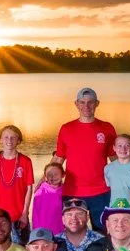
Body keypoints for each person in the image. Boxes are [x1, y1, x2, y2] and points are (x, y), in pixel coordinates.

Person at [50, 87, 119, 222]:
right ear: (76, 104)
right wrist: (43, 181)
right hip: (72, 192)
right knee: (71, 232)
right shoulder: (67, 128)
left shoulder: (107, 128)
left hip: (101, 191)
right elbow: (59, 158)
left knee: (102, 233)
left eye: (90, 102)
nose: (86, 106)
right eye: (82, 102)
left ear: (97, 103)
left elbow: (115, 159)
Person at [0, 124, 33, 224]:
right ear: (0, 139)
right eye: (6, 137)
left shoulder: (25, 161)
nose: (9, 140)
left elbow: (29, 189)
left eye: (13, 137)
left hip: (19, 215)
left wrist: (25, 213)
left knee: (19, 240)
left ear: (18, 140)